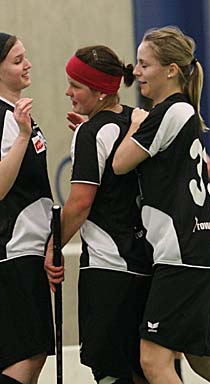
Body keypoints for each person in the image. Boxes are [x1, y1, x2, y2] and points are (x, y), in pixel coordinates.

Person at [112, 26, 210, 384]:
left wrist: (134, 124)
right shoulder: (183, 113)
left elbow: (119, 163)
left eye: (145, 65)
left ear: (171, 70)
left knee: (153, 361)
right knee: (204, 360)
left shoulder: (166, 113)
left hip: (180, 253)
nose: (136, 72)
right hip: (192, 249)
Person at [44, 45, 152, 384]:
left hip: (108, 268)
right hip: (148, 264)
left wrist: (53, 246)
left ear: (102, 91)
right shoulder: (140, 120)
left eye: (76, 86)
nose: (68, 92)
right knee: (147, 369)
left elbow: (80, 204)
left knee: (109, 372)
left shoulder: (90, 134)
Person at [0, 31, 54, 384]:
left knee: (27, 356)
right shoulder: (0, 117)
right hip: (12, 247)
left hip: (23, 248)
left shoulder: (12, 114)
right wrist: (22, 136)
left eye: (25, 56)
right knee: (28, 356)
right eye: (17, 61)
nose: (27, 64)